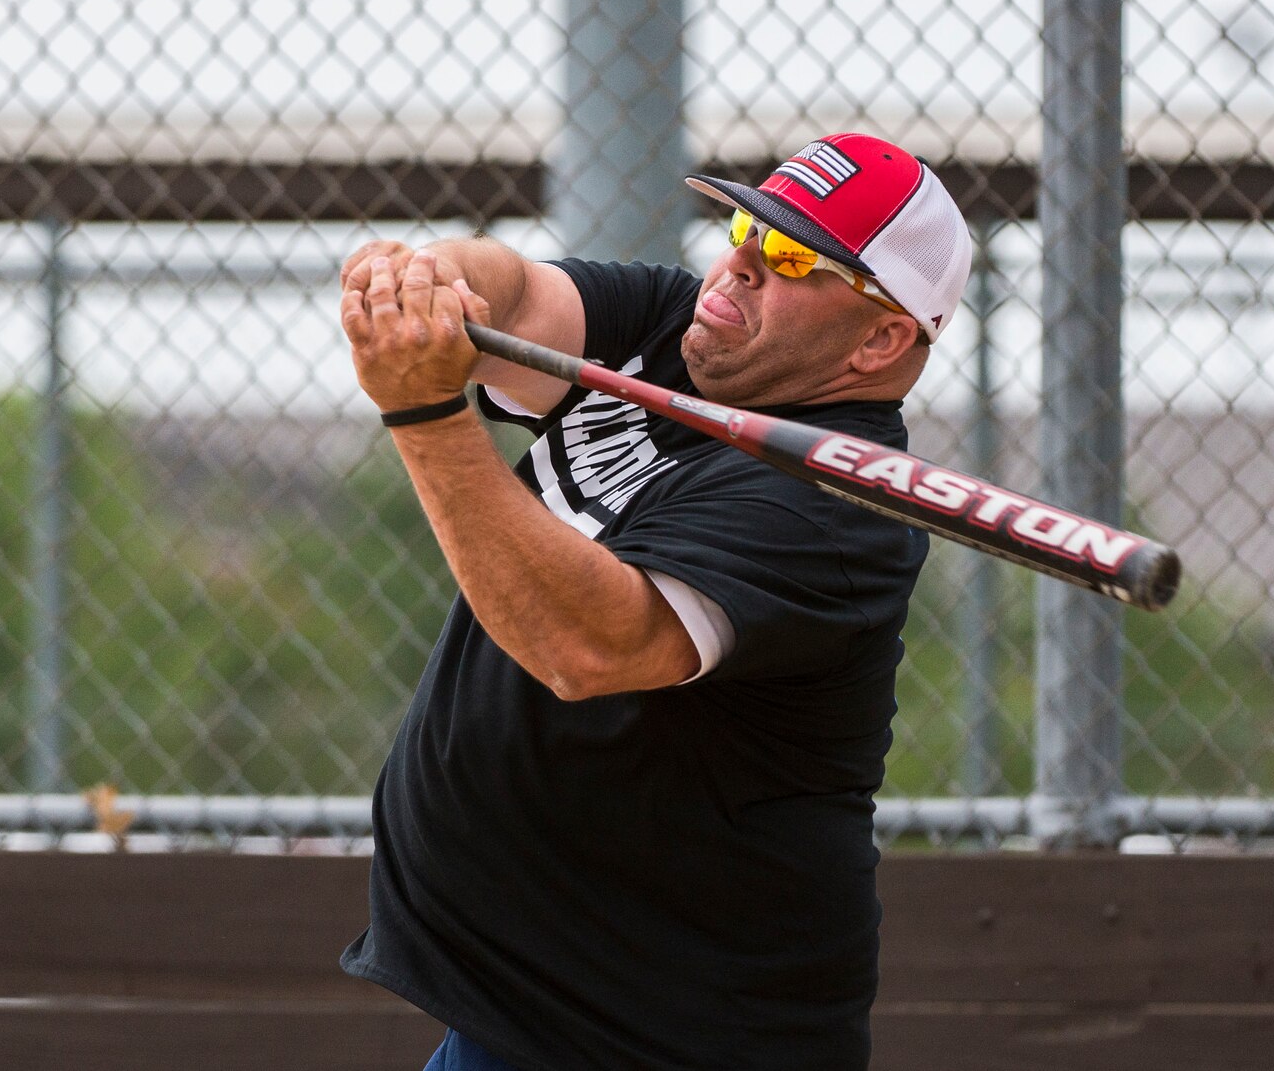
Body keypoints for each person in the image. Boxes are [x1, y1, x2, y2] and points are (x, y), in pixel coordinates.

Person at [333, 135, 975, 1070]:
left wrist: (425, 414)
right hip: (528, 1012)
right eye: (749, 225)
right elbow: (512, 291)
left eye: (794, 259)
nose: (742, 263)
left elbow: (588, 644)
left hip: (668, 1036)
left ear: (879, 339)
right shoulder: (675, 330)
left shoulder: (837, 514)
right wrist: (429, 280)